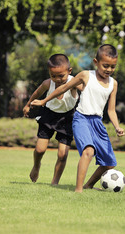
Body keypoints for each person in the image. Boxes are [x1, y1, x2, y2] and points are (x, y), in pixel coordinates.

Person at [31, 44, 125, 193]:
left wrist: (117, 126)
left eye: (113, 67)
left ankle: (88, 185)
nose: (109, 70)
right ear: (96, 62)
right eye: (105, 65)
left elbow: (111, 110)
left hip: (97, 122)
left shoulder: (113, 84)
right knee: (88, 151)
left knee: (109, 163)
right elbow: (63, 88)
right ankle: (79, 190)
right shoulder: (86, 75)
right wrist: (43, 101)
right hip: (81, 119)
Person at [23, 53, 79, 185]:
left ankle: (55, 182)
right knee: (40, 149)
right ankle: (36, 165)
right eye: (53, 76)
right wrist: (27, 105)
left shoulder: (74, 82)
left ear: (69, 71)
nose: (57, 79)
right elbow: (37, 93)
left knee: (62, 154)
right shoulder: (48, 83)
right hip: (48, 114)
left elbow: (85, 87)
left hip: (67, 118)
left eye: (61, 76)